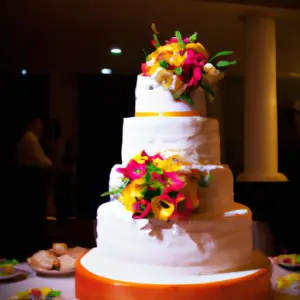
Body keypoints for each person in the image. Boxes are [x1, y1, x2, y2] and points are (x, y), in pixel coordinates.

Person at [10, 117, 53, 260]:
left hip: (29, 181)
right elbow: (42, 161)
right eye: (39, 124)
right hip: (31, 182)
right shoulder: (29, 138)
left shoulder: (28, 138)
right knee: (32, 217)